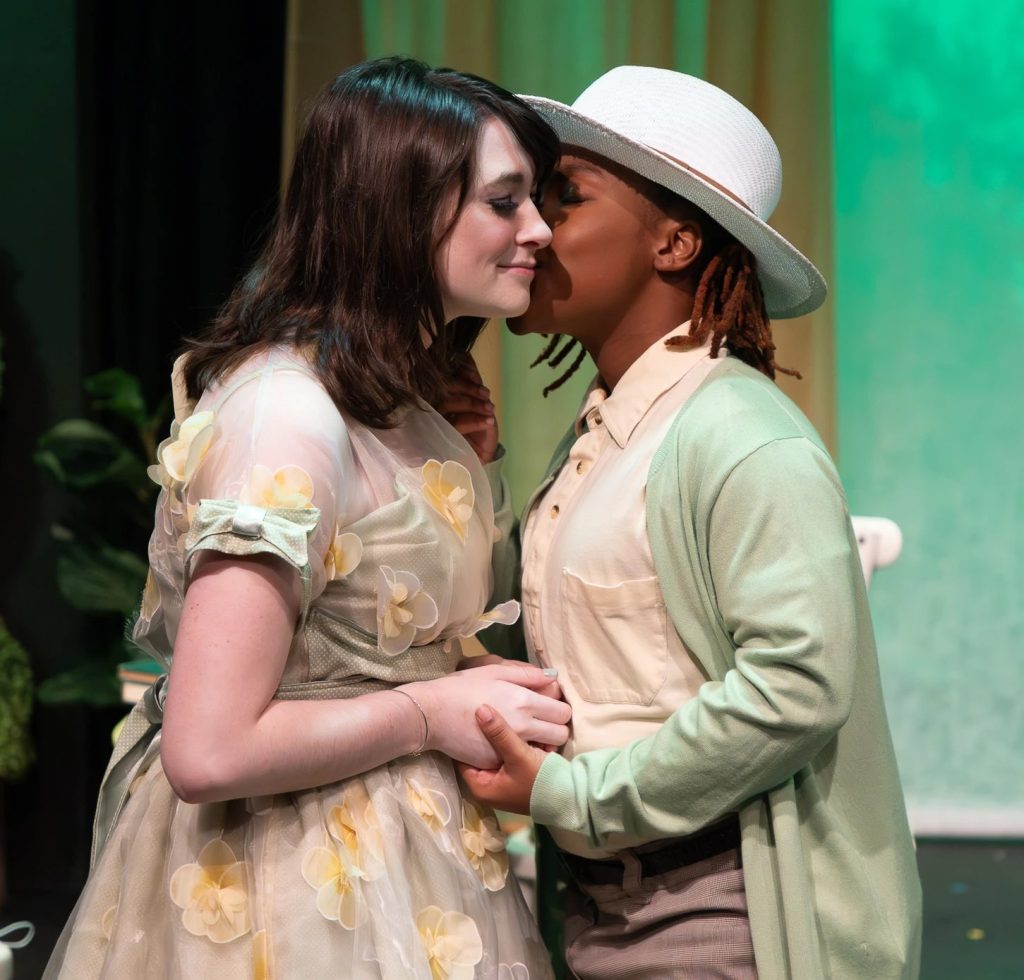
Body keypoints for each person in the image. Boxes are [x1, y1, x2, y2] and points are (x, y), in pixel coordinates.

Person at [44, 57, 571, 979]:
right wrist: (427, 711)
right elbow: (206, 747)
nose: (538, 230)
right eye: (504, 200)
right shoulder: (287, 414)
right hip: (285, 885)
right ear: (405, 211)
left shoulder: (400, 404)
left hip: (400, 865)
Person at [453, 67, 922, 979]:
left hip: (724, 910)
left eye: (567, 197)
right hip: (602, 902)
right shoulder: (610, 428)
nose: (537, 230)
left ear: (673, 242)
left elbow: (795, 686)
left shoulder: (739, 435)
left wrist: (577, 794)